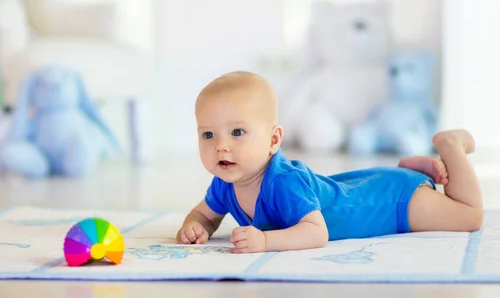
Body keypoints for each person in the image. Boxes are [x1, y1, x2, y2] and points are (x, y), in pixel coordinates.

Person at [176, 71, 483, 253]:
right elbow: (205, 214)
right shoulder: (225, 182)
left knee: (469, 216)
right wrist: (195, 226)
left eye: (237, 132)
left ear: (273, 140)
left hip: (394, 203)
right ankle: (412, 172)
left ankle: (450, 146)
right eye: (208, 135)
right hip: (370, 185)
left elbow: (315, 233)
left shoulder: (282, 181)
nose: (221, 146)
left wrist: (265, 241)